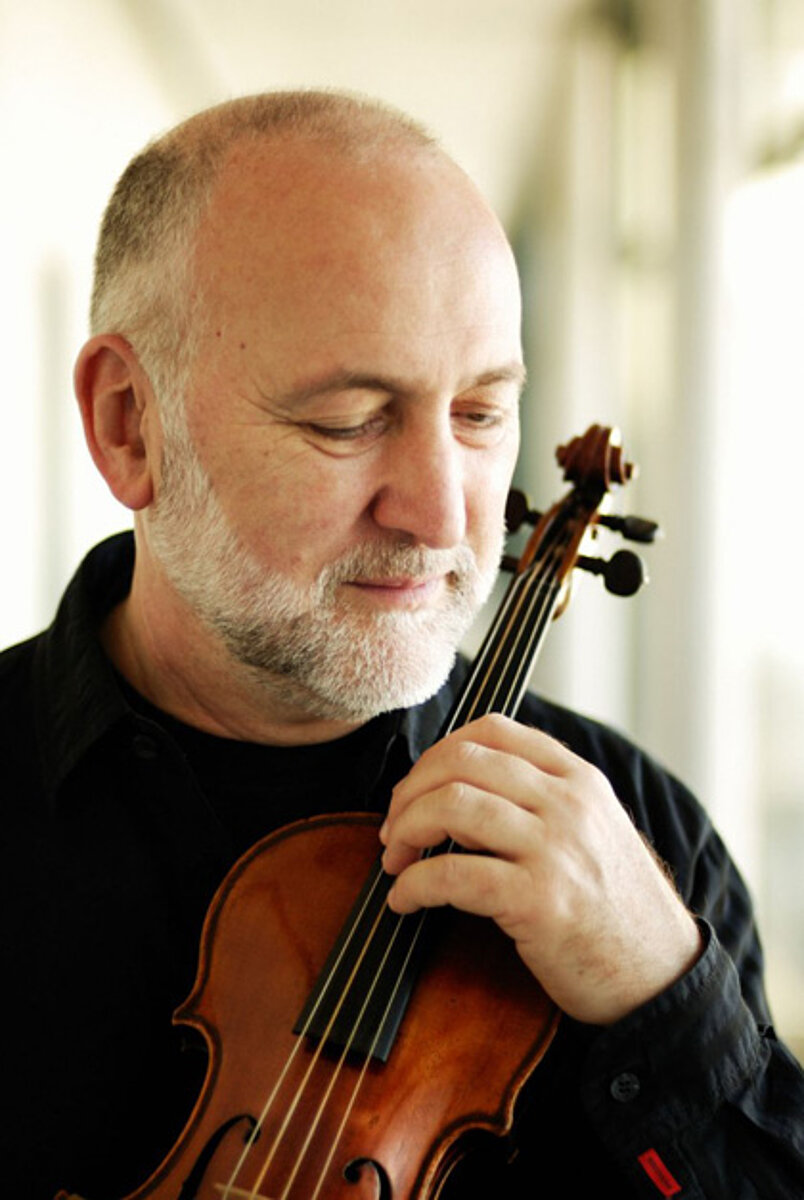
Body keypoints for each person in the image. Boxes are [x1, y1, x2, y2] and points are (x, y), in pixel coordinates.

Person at [2, 89, 802, 1200]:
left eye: (481, 415)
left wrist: (662, 999)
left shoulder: (647, 846)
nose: (441, 513)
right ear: (129, 424)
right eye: (348, 420)